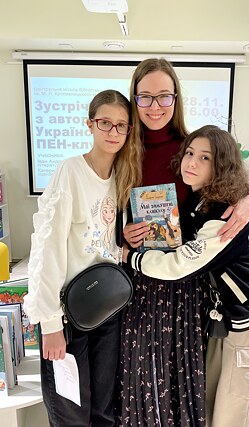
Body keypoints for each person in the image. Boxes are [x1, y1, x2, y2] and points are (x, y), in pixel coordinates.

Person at [118, 58, 249, 426]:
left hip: (186, 283)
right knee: (140, 374)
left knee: (181, 375)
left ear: (176, 98)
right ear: (134, 100)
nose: (155, 106)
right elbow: (106, 213)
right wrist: (124, 234)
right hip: (139, 280)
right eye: (145, 97)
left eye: (164, 96)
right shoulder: (121, 149)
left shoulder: (190, 148)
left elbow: (231, 183)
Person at [23, 89, 142, 427]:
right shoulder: (70, 172)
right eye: (105, 123)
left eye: (122, 126)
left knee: (104, 410)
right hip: (68, 317)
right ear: (90, 124)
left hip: (107, 310)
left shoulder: (121, 176)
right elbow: (47, 247)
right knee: (70, 413)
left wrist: (124, 247)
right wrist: (49, 324)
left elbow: (98, 243)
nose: (113, 132)